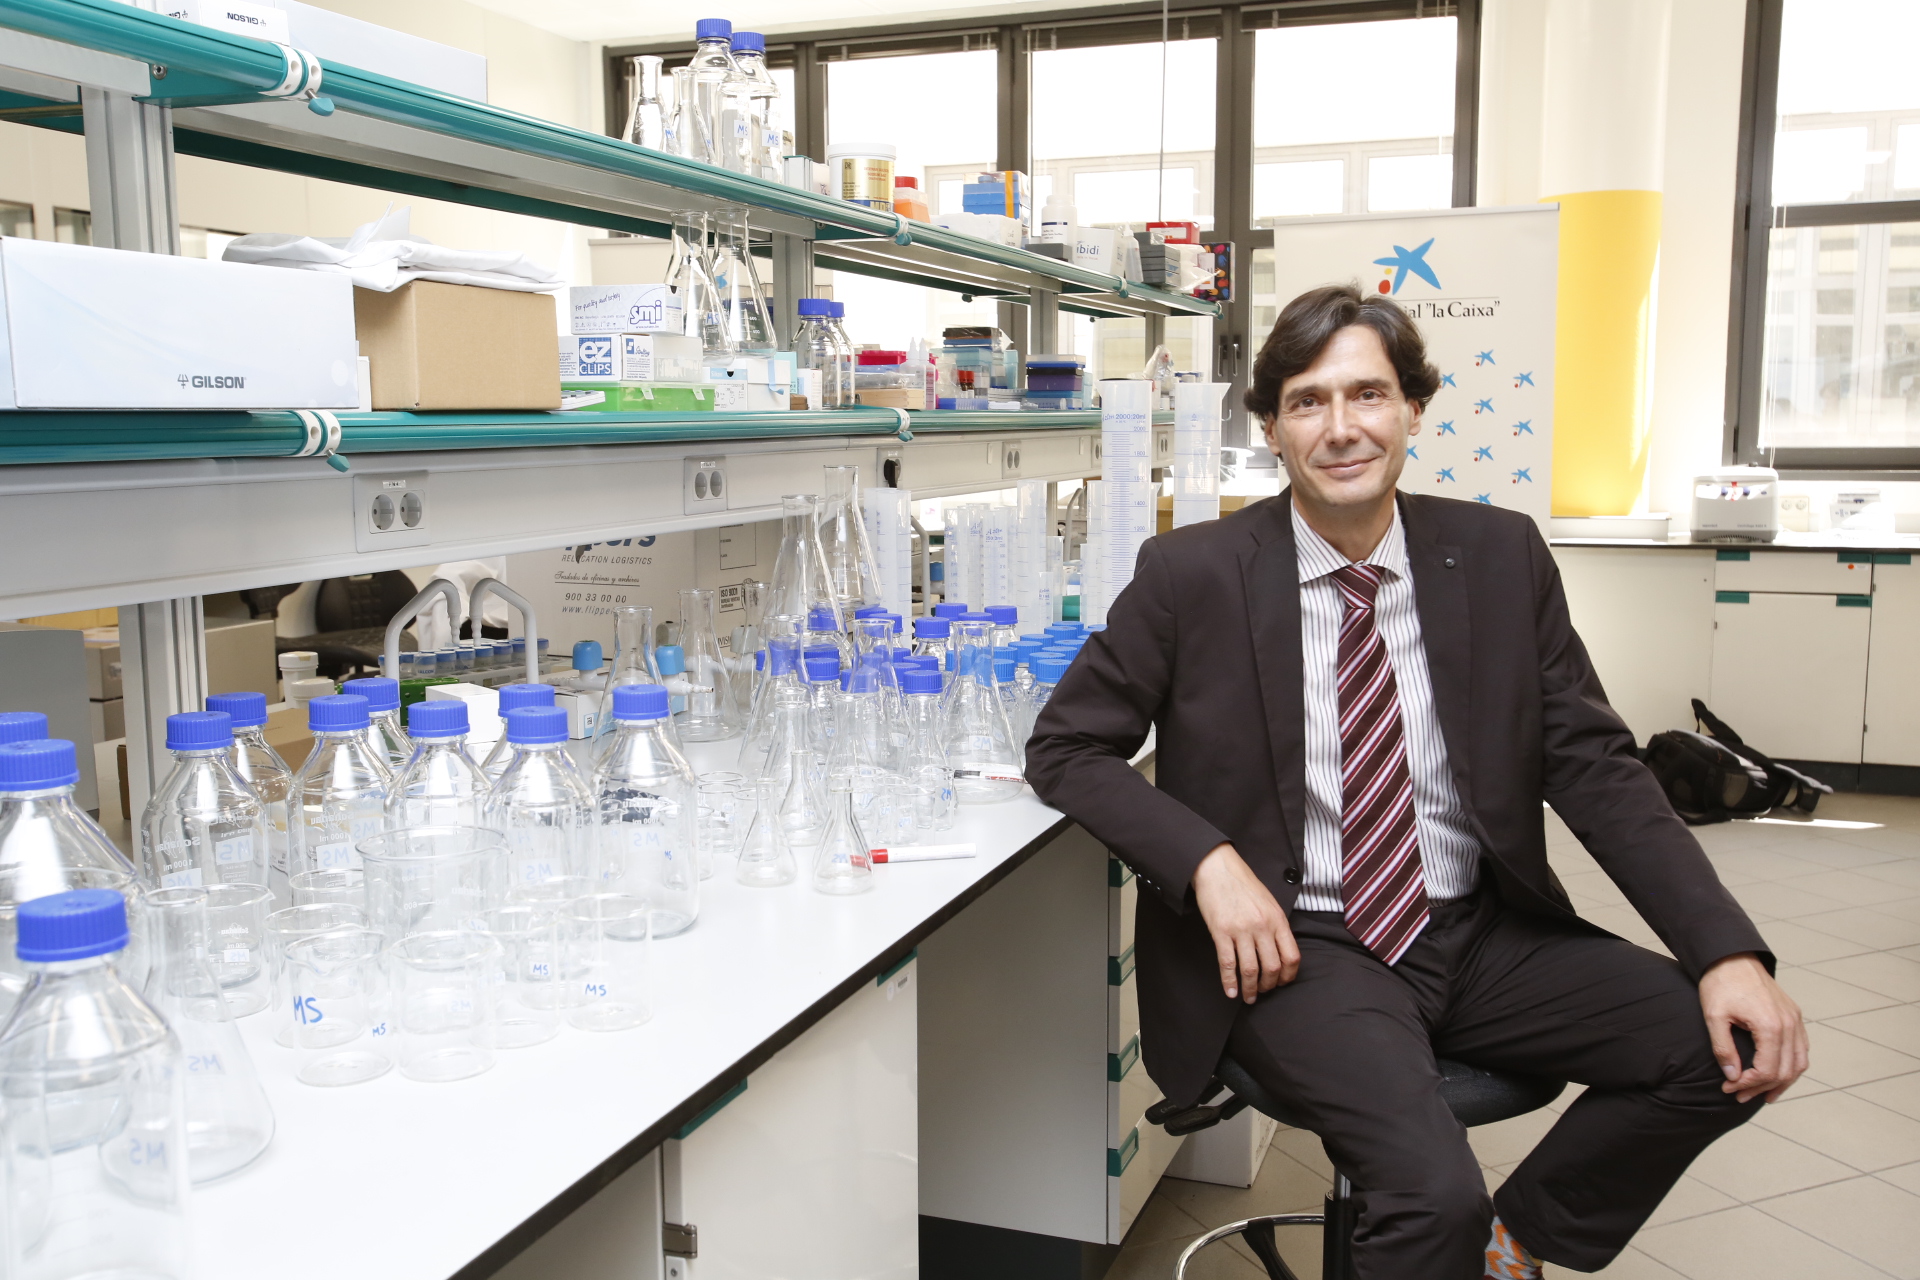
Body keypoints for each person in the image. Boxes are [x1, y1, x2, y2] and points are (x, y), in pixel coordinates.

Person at [1025, 284, 1807, 1279]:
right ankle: (1457, 1234)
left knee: (1731, 1046)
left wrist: (1723, 950)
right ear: (1271, 427)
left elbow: (1595, 766)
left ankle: (1516, 1241)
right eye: (1308, 402)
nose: (1341, 428)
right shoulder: (1193, 573)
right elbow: (1067, 747)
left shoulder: (1498, 555)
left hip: (1477, 932)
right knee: (1431, 1196)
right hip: (1301, 946)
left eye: (1368, 394)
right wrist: (1209, 862)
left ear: (1413, 410)